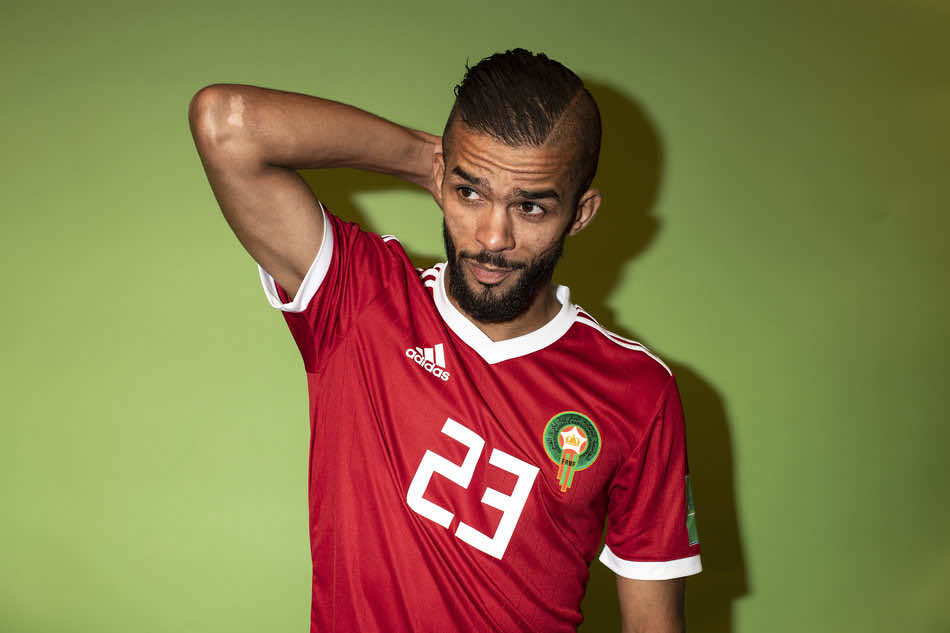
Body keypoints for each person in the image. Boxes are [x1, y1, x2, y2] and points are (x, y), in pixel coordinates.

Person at [188, 49, 701, 633]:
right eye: (470, 193)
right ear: (441, 180)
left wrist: (465, 173)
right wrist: (423, 158)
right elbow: (225, 123)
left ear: (579, 215)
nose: (492, 236)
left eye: (530, 206)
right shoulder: (359, 301)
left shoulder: (638, 392)